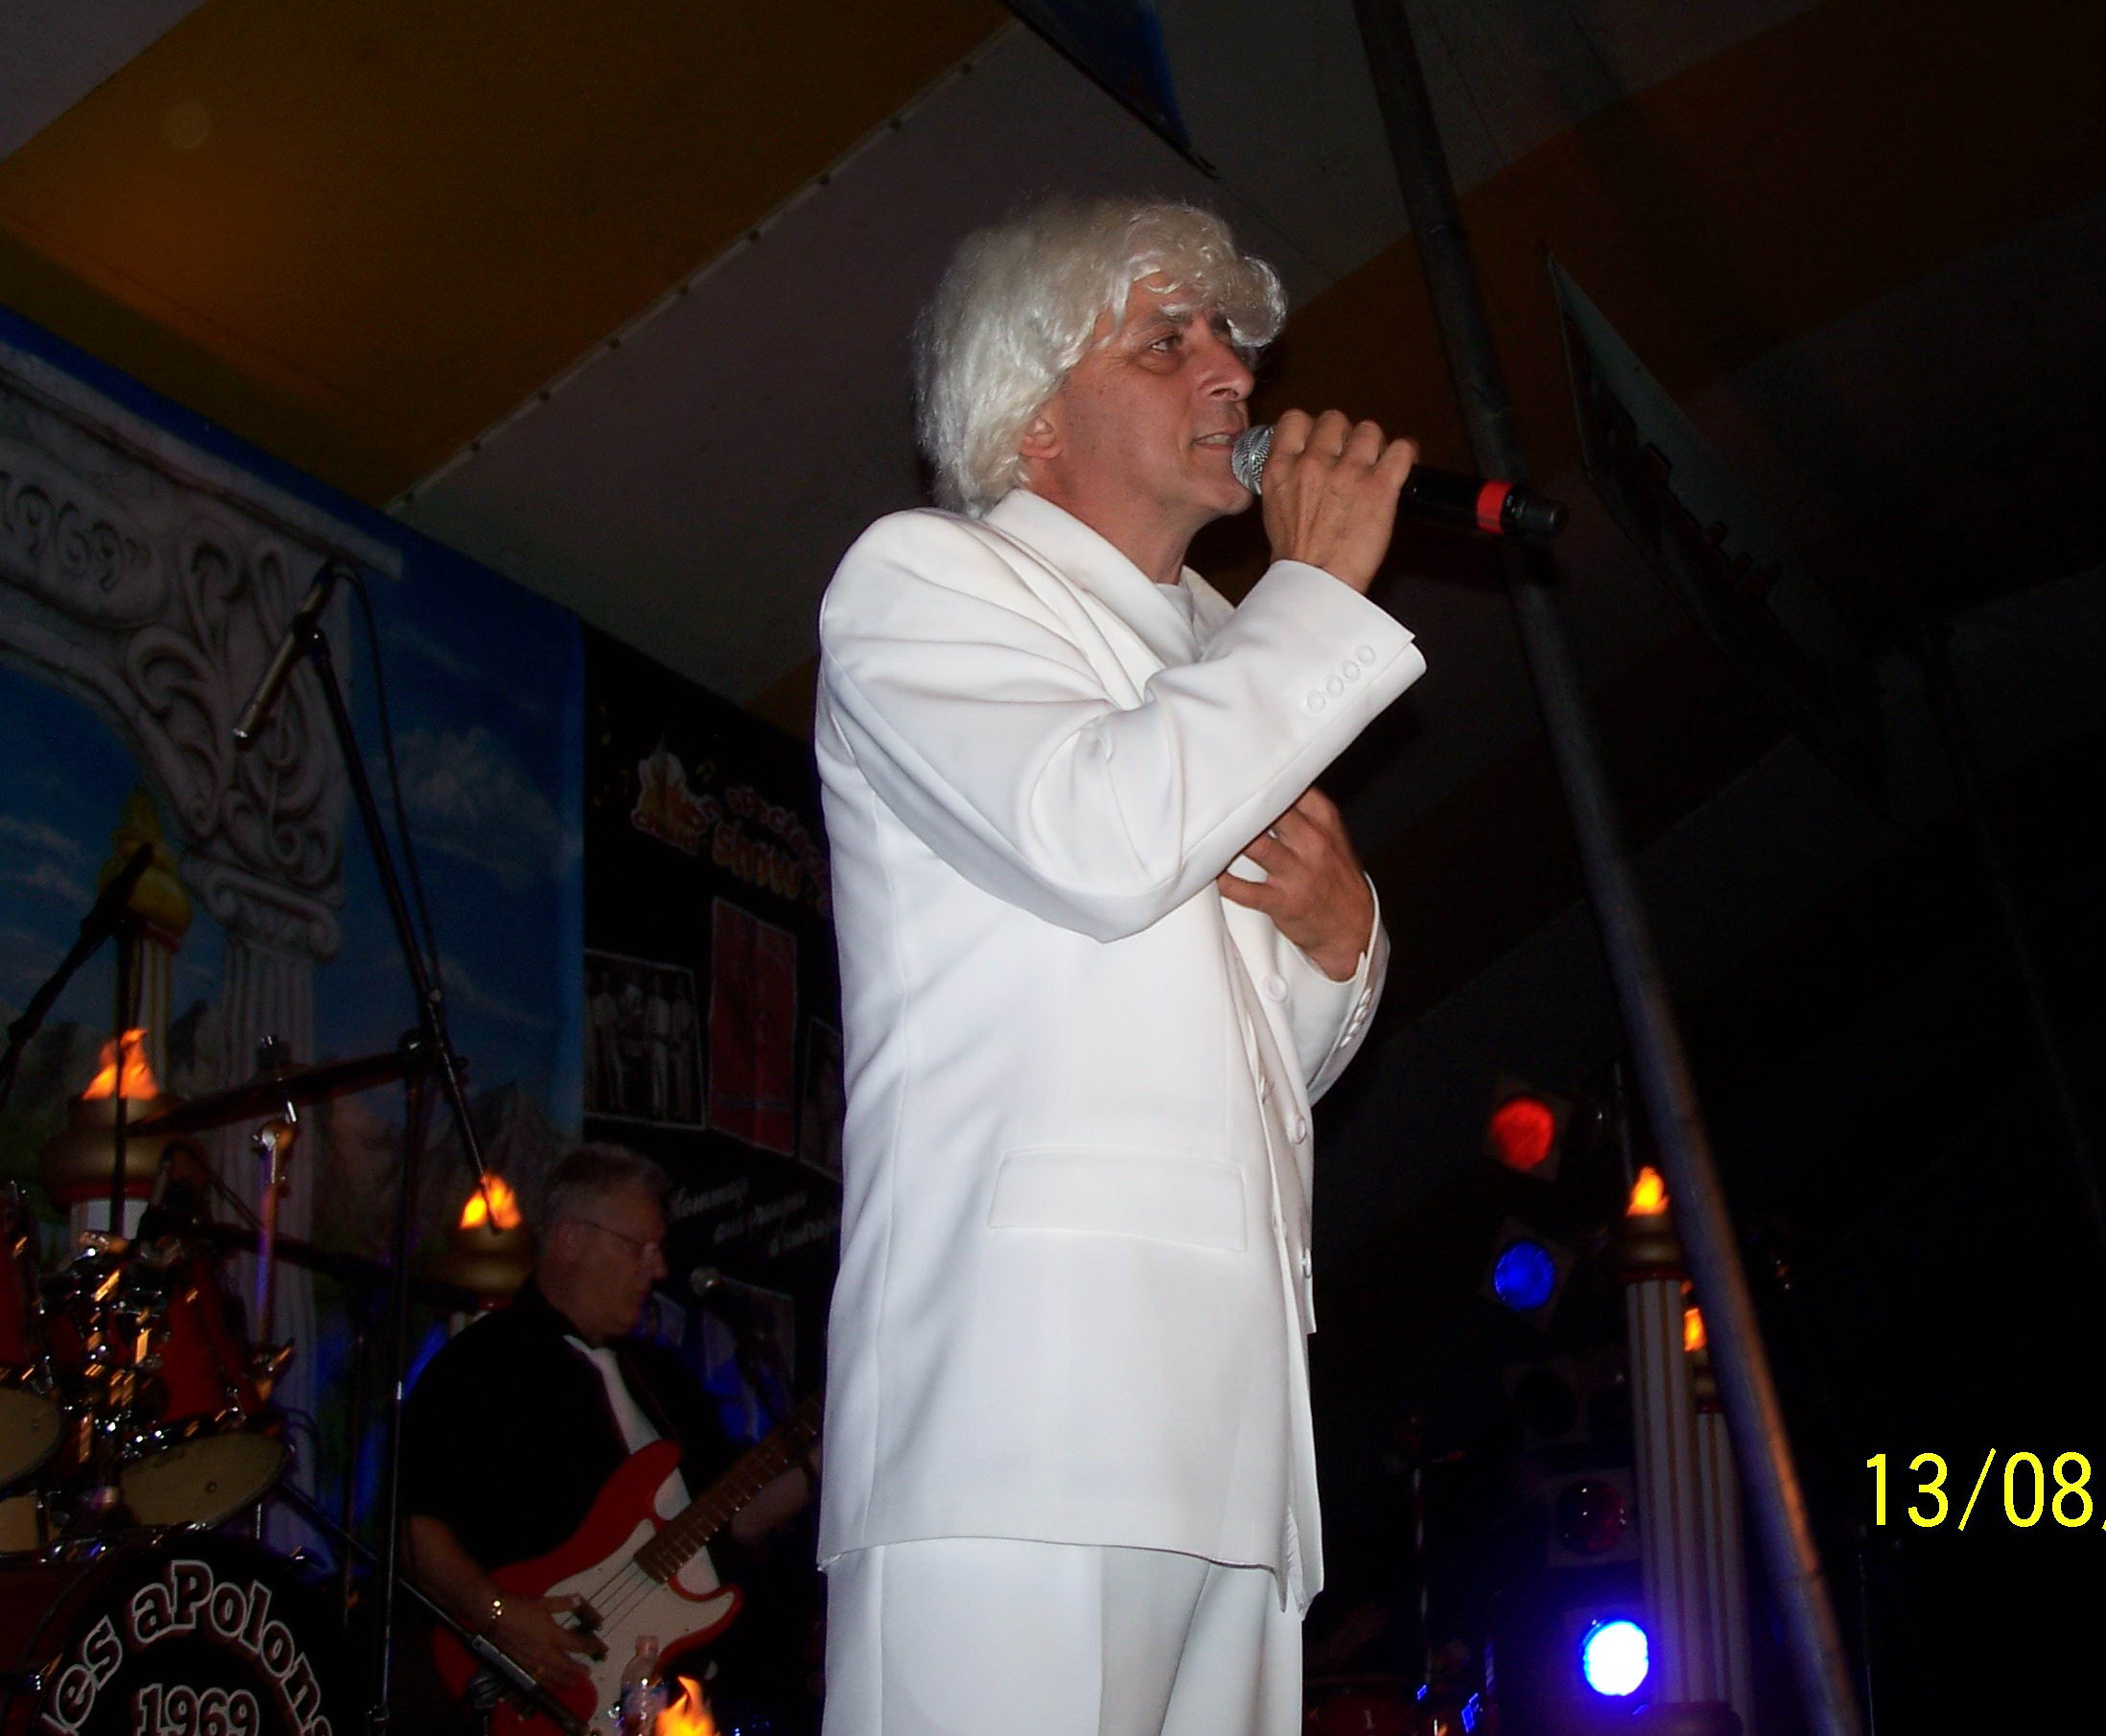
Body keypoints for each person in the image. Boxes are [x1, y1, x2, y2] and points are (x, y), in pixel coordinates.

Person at [811, 196, 1426, 1736]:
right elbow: (1092, 839)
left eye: (1232, 338)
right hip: (1023, 1419)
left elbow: (1245, 1058)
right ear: (1030, 421)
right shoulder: (926, 583)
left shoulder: (1233, 654)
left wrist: (1340, 942)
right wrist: (1317, 600)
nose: (1233, 375)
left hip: (1235, 1446)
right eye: (1167, 342)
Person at [402, 1142, 812, 1705]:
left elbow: (738, 1520)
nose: (658, 1269)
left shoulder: (663, 1380)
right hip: (532, 1693)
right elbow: (415, 1527)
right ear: (571, 1239)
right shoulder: (480, 1365)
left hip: (671, 1694)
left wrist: (827, 1448)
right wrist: (497, 1616)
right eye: (639, 1247)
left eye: (659, 1249)